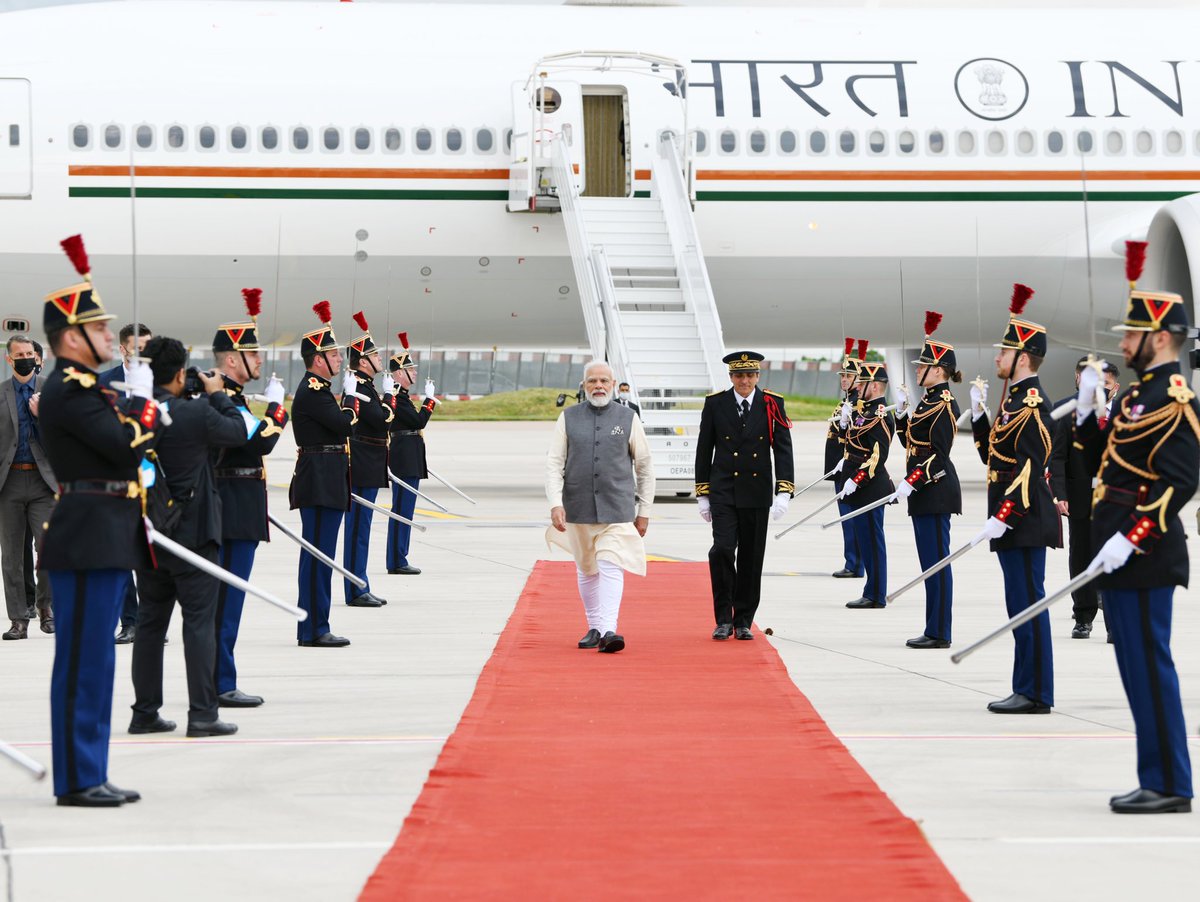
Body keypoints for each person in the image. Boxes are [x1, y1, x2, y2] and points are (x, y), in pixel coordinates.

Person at [1072, 243, 1195, 814]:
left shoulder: (1173, 399)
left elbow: (1178, 483)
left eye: (1131, 336)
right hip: (1118, 556)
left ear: (1160, 338)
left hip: (1143, 557)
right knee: (1135, 673)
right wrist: (1088, 414)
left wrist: (1132, 538)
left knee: (1150, 667)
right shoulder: (1137, 397)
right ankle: (1155, 774)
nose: (1121, 346)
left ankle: (1170, 783)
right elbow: (1103, 464)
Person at [39, 234, 159, 806]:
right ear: (72, 336)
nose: (112, 337)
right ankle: (76, 778)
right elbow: (120, 445)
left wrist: (135, 408)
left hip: (107, 530)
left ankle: (92, 769)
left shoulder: (87, 387)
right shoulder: (65, 387)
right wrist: (145, 409)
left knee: (98, 663)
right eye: (101, 329)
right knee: (83, 660)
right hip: (87, 533)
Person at [129, 337, 247, 738]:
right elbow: (238, 432)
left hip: (151, 534)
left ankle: (144, 711)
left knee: (150, 624)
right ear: (181, 373)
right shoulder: (195, 412)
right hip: (194, 535)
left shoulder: (138, 412)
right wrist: (217, 396)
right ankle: (203, 714)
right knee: (198, 625)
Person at [970, 284, 1060, 714]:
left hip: (1023, 520)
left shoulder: (1032, 405)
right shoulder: (1014, 403)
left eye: (1003, 352)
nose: (996, 358)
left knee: (1028, 605)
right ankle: (1025, 685)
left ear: (1023, 357)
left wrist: (1004, 514)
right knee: (1018, 605)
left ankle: (1036, 692)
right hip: (1013, 520)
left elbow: (1027, 469)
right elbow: (995, 457)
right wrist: (980, 418)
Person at [211, 289, 290, 707]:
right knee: (226, 604)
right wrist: (278, 413)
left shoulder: (233, 398)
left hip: (238, 506)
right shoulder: (223, 398)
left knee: (228, 604)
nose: (260, 361)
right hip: (231, 508)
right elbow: (259, 443)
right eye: (253, 354)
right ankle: (220, 682)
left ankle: (219, 678)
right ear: (230, 360)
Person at [547, 360, 654, 652]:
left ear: (613, 383)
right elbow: (554, 464)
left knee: (610, 563)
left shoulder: (628, 418)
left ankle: (609, 629)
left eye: (604, 381)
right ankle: (594, 626)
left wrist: (644, 511)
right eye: (592, 381)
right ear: (584, 385)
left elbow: (644, 467)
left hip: (617, 508)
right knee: (586, 568)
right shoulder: (567, 417)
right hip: (578, 507)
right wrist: (555, 503)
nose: (598, 386)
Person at [695, 351, 794, 640]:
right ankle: (723, 618)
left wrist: (784, 491)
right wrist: (703, 493)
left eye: (750, 375)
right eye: (740, 375)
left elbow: (783, 449)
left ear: (757, 376)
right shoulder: (716, 404)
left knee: (751, 558)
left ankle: (743, 621)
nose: (745, 381)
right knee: (722, 549)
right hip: (724, 490)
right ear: (731, 377)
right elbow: (704, 450)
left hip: (756, 491)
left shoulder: (772, 403)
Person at [894, 313, 962, 647]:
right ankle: (933, 627)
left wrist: (913, 480)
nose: (917, 370)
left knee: (936, 563)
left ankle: (939, 631)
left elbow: (939, 453)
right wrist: (902, 415)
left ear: (938, 369)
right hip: (923, 490)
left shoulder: (944, 404)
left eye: (922, 366)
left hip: (935, 490)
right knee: (929, 562)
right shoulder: (927, 402)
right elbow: (910, 444)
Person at [290, 301, 354, 647]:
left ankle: (316, 624)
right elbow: (344, 425)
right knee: (318, 556)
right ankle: (314, 628)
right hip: (319, 480)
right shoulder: (314, 392)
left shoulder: (322, 390)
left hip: (326, 477)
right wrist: (353, 401)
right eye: (334, 355)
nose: (340, 360)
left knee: (321, 555)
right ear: (319, 360)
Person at [1049, 356, 1120, 641]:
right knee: (1081, 557)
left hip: (1115, 498)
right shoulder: (1069, 413)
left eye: (1106, 385)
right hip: (1080, 495)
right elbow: (1058, 457)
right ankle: (1083, 616)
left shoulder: (1126, 414)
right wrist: (1060, 495)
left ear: (1115, 387)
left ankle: (1115, 623)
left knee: (1113, 558)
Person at [100, 322, 153, 644]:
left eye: (147, 347)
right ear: (122, 349)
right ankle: (130, 621)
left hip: (154, 480)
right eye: (136, 347)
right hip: (119, 479)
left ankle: (151, 622)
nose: (141, 352)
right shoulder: (104, 383)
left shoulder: (160, 381)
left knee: (151, 557)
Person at [1, 335, 56, 639]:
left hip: (42, 481)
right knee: (10, 555)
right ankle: (18, 619)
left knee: (47, 547)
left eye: (29, 353)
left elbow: (64, 438)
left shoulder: (52, 391)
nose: (24, 358)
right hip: (8, 482)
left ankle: (46, 609)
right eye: (18, 354)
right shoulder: (1, 393)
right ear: (9, 359)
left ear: (37, 357)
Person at [838, 356, 896, 610]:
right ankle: (871, 590)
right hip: (858, 485)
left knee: (873, 542)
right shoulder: (865, 411)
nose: (858, 386)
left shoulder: (881, 415)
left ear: (874, 386)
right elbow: (854, 444)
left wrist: (856, 479)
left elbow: (876, 457)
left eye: (863, 382)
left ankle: (876, 594)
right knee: (866, 540)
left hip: (870, 487)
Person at [341, 312, 391, 606]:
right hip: (362, 462)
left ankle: (360, 583)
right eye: (374, 355)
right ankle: (356, 587)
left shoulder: (365, 385)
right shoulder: (359, 386)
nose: (380, 359)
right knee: (358, 528)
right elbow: (382, 419)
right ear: (363, 361)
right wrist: (389, 399)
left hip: (369, 461)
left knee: (362, 528)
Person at [385, 332, 436, 576]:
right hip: (404, 458)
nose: (414, 374)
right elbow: (418, 421)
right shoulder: (397, 397)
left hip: (409, 456)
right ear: (398, 374)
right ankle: (397, 559)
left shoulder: (402, 396)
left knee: (404, 509)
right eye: (410, 370)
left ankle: (399, 556)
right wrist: (430, 401)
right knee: (402, 510)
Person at [827, 338, 866, 579]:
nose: (843, 379)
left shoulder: (858, 404)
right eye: (842, 375)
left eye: (848, 376)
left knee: (851, 518)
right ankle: (851, 561)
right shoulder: (847, 401)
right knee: (846, 518)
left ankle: (855, 564)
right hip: (839, 467)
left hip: (849, 467)